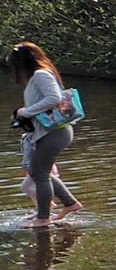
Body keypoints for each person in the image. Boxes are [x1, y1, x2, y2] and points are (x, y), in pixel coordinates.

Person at [10, 42, 80, 229]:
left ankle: (43, 218)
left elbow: (54, 98)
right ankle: (69, 203)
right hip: (50, 132)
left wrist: (25, 112)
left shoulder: (41, 75)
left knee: (39, 174)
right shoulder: (39, 76)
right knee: (41, 172)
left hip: (55, 133)